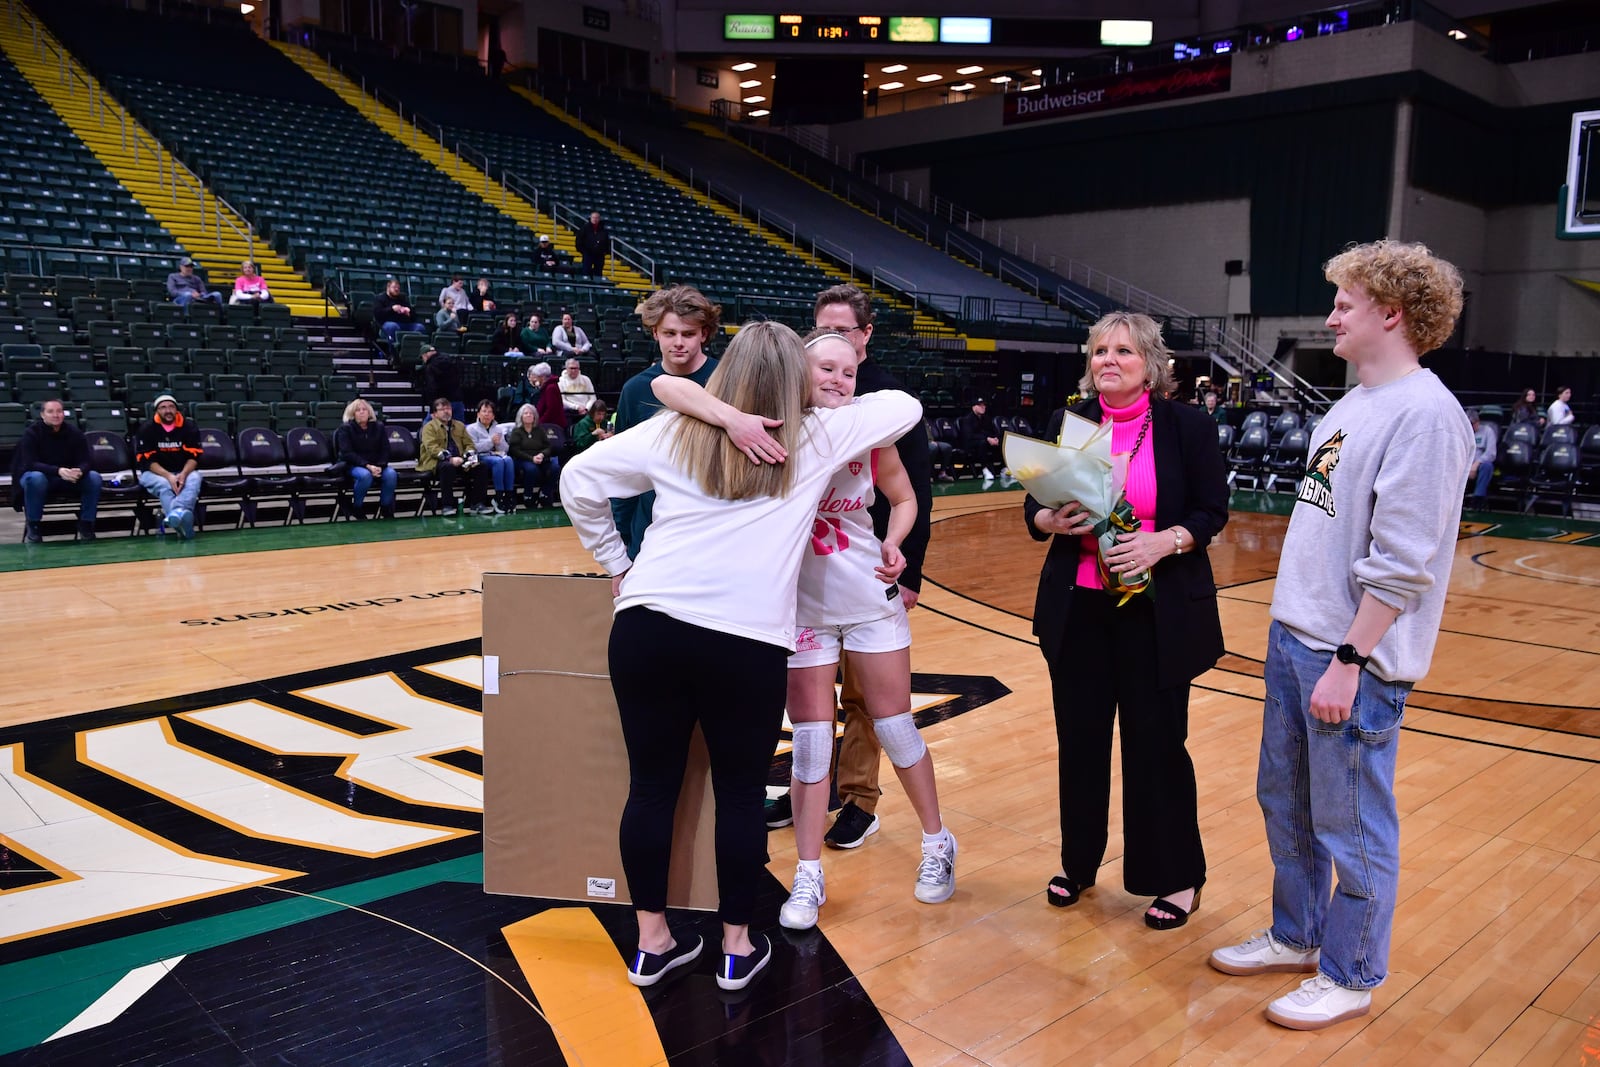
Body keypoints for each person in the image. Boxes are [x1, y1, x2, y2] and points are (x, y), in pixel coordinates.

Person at [559, 320, 923, 992]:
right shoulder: (813, 435)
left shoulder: (673, 430)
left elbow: (577, 476)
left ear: (722, 376)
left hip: (647, 626)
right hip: (746, 642)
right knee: (737, 795)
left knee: (650, 789)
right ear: (795, 384)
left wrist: (616, 562)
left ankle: (651, 944)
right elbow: (906, 407)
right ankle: (734, 947)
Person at [1210, 240, 1473, 1031]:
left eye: (1345, 304)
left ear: (1390, 313)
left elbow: (1402, 563)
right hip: (1298, 639)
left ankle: (1352, 970)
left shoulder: (1427, 416)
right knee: (1285, 802)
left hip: (1350, 658)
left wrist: (1351, 660)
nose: (1331, 316)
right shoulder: (1354, 401)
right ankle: (1298, 933)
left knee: (1352, 822)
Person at [659, 329, 957, 929]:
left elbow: (903, 499)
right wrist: (730, 417)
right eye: (825, 368)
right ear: (799, 371)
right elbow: (667, 385)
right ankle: (808, 874)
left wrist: (896, 544)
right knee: (813, 744)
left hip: (870, 600)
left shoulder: (867, 431)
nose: (837, 381)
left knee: (897, 729)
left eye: (847, 373)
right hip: (799, 609)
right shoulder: (766, 428)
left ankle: (937, 844)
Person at [1024, 311, 1228, 931]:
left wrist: (1163, 543)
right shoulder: (1070, 422)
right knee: (1079, 744)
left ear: (1151, 365)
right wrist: (1045, 522)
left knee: (1158, 748)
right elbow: (1037, 501)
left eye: (1123, 352)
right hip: (1079, 608)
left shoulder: (1186, 426)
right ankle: (1078, 862)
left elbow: (1210, 512)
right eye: (1099, 351)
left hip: (1155, 612)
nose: (1108, 360)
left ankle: (1175, 877)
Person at [801, 283, 934, 851]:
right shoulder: (782, 420)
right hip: (800, 598)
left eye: (845, 337)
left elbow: (912, 494)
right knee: (807, 720)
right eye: (823, 339)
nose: (835, 365)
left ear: (865, 339)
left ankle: (859, 800)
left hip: (866, 586)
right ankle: (809, 796)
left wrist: (905, 565)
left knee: (870, 704)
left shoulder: (881, 412)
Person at [612, 285, 722, 559]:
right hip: (651, 533)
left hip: (714, 529)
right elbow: (622, 472)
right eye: (670, 333)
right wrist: (622, 547)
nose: (679, 342)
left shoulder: (728, 381)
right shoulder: (635, 390)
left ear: (704, 334)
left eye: (689, 334)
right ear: (655, 333)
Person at [12, 398, 101, 543]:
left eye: (59, 411)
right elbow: (30, 463)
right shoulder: (32, 433)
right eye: (51, 411)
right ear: (42, 415)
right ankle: (33, 525)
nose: (56, 415)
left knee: (94, 477)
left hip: (68, 478)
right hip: (41, 477)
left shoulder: (74, 432)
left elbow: (87, 460)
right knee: (36, 478)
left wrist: (79, 471)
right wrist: (58, 471)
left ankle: (86, 524)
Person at [135, 393, 204, 540]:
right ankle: (181, 520)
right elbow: (147, 461)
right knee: (165, 485)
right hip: (154, 473)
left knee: (194, 478)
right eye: (163, 407)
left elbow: (194, 457)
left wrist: (183, 475)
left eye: (171, 406)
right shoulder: (147, 429)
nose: (168, 410)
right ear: (157, 411)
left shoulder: (188, 426)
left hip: (182, 470)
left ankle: (176, 516)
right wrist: (169, 476)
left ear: (177, 409)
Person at [417, 397, 491, 515]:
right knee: (447, 467)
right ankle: (447, 506)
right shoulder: (428, 427)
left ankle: (477, 504)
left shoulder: (460, 425)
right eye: (442, 409)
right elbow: (432, 448)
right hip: (436, 462)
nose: (446, 411)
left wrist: (468, 456)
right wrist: (450, 458)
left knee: (481, 467)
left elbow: (469, 444)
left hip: (461, 460)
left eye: (448, 408)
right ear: (434, 414)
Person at [334, 397, 395, 520]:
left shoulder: (379, 427)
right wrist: (367, 465)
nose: (362, 412)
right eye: (358, 410)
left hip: (377, 464)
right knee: (365, 475)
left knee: (391, 474)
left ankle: (385, 507)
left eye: (364, 409)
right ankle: (357, 507)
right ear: (352, 414)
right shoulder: (345, 429)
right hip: (352, 465)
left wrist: (380, 465)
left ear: (369, 412)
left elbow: (385, 449)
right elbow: (347, 453)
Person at [466, 398, 517, 512]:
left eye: (490, 412)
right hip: (480, 457)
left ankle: (509, 495)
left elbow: (505, 449)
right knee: (498, 462)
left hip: (496, 454)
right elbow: (474, 448)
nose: (487, 415)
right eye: (484, 411)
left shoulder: (498, 428)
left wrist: (499, 443)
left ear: (493, 416)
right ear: (478, 413)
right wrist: (491, 442)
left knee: (508, 460)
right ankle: (498, 496)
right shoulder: (471, 429)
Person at [508, 402, 560, 507]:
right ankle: (528, 495)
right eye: (525, 413)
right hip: (523, 459)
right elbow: (515, 450)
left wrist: (542, 454)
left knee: (555, 467)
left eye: (531, 413)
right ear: (521, 416)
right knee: (531, 469)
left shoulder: (540, 430)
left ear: (535, 416)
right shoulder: (517, 431)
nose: (528, 415)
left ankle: (545, 492)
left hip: (540, 458)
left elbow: (548, 447)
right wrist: (531, 458)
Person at [956, 398, 1003, 479]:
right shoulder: (967, 419)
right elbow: (969, 436)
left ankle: (1004, 468)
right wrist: (987, 438)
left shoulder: (986, 418)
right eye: (980, 405)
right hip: (971, 444)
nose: (983, 407)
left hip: (985, 440)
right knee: (982, 443)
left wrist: (995, 438)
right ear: (974, 407)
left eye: (984, 405)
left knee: (1001, 441)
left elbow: (991, 431)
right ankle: (985, 469)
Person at [419, 342, 463, 424]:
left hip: (441, 403)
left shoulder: (430, 367)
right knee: (459, 429)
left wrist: (432, 409)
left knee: (427, 425)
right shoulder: (451, 361)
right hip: (457, 400)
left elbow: (432, 388)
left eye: (422, 358)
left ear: (425, 355)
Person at [374, 280, 426, 345]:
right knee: (393, 326)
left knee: (420, 327)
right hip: (386, 324)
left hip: (404, 324)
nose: (396, 289)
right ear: (388, 287)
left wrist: (408, 312)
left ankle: (414, 350)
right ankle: (393, 351)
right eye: (394, 287)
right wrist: (392, 309)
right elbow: (378, 314)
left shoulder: (402, 298)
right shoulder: (380, 298)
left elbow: (414, 316)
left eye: (398, 288)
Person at [1466, 407, 1497, 508]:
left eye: (1473, 423)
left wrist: (1476, 464)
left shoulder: (1488, 431)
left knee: (1487, 466)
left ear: (1478, 421)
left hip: (1480, 464)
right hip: (1465, 463)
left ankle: (1478, 498)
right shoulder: (1463, 433)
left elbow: (1491, 453)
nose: (1471, 426)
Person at [526, 362, 568, 431]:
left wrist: (539, 423)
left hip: (552, 426)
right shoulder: (548, 386)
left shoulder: (550, 388)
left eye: (537, 376)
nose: (536, 379)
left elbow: (551, 410)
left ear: (542, 377)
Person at [574, 211, 610, 277]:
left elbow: (606, 242)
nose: (595, 219)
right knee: (586, 271)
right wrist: (583, 251)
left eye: (596, 218)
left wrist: (605, 251)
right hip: (588, 253)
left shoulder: (603, 230)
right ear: (590, 218)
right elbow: (579, 240)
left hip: (599, 254)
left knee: (598, 272)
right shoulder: (584, 228)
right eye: (593, 217)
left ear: (599, 219)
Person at [925, 417, 955, 483]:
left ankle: (942, 473)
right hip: (920, 442)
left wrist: (931, 440)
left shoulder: (923, 418)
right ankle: (927, 474)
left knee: (947, 447)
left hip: (931, 441)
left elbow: (929, 433)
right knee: (933, 447)